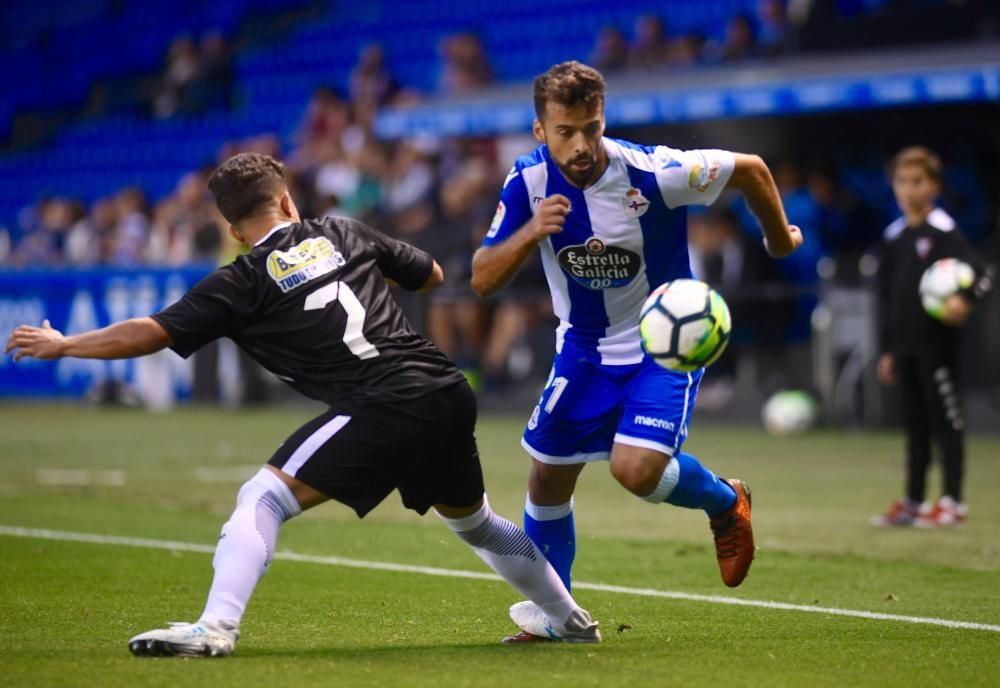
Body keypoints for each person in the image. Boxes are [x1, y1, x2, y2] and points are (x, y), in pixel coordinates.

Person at [5, 152, 601, 656]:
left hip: (384, 399)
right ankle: (568, 619)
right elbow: (433, 275)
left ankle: (215, 628)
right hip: (444, 390)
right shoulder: (344, 231)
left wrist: (65, 345)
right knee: (475, 522)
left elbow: (150, 331)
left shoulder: (240, 282)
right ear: (287, 200)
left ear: (235, 231)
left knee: (262, 497)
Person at [470, 61, 802, 641]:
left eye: (591, 128)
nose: (580, 145)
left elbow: (750, 169)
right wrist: (530, 232)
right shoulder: (526, 184)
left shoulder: (654, 171)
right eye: (565, 132)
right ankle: (558, 617)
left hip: (664, 342)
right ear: (539, 131)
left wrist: (778, 239)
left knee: (635, 471)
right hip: (583, 347)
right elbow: (481, 279)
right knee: (546, 479)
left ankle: (725, 503)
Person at [872, 146, 994, 528]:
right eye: (902, 182)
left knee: (946, 421)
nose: (909, 190)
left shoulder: (945, 232)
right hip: (904, 348)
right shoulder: (893, 238)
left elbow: (983, 273)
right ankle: (913, 500)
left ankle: (953, 501)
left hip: (937, 347)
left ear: (935, 187)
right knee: (915, 425)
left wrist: (965, 297)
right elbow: (885, 298)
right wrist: (887, 349)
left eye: (918, 182)